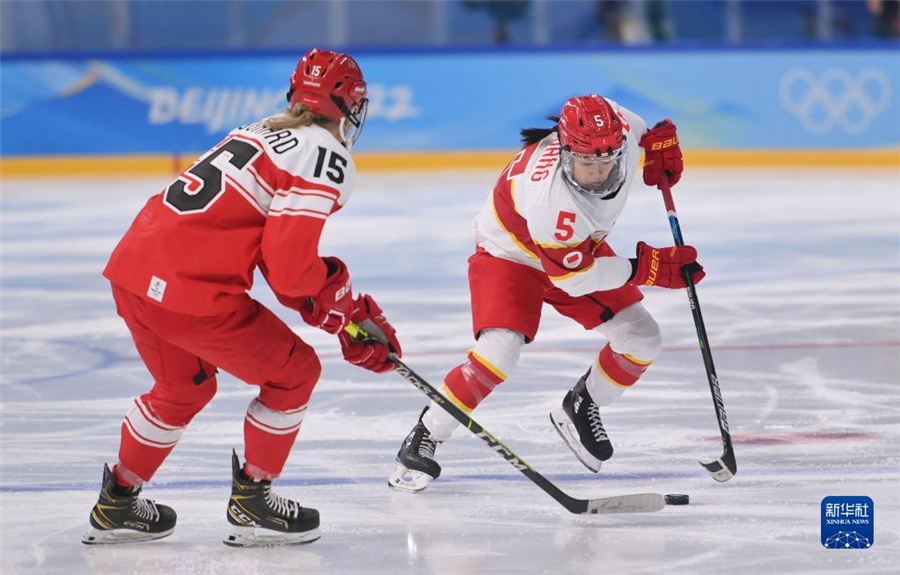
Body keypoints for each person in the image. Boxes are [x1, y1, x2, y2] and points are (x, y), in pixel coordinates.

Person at [82, 48, 402, 547]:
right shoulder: (323, 153)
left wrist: (340, 310)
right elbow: (292, 272)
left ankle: (117, 501)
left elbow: (281, 265)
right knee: (295, 372)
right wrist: (342, 313)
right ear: (351, 104)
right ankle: (253, 498)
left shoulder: (258, 129)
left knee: (183, 389)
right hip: (190, 290)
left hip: (134, 270)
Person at [388, 94, 703, 492]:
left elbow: (631, 122)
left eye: (608, 160)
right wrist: (646, 268)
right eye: (587, 162)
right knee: (498, 353)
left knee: (643, 339)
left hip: (572, 251)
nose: (599, 170)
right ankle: (425, 436)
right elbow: (575, 280)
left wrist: (654, 144)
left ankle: (582, 404)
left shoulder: (613, 130)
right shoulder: (551, 202)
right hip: (510, 254)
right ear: (565, 149)